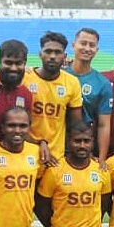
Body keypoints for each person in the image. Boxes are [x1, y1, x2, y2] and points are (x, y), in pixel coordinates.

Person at [23, 31, 83, 161]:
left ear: (65, 56)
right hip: (26, 153)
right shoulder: (25, 78)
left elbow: (76, 125)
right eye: (48, 51)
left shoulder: (72, 82)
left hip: (56, 157)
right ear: (40, 54)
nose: (52, 56)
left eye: (57, 52)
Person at [65, 28, 113, 161]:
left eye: (92, 45)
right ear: (73, 45)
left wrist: (101, 159)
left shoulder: (103, 83)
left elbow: (104, 124)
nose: (87, 48)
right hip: (58, 147)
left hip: (84, 149)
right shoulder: (60, 75)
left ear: (96, 50)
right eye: (83, 43)